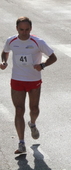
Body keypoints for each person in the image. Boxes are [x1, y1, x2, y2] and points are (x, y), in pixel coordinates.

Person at [1, 17, 57, 154]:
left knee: (34, 108)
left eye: (27, 30)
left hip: (33, 80)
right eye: (21, 30)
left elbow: (53, 57)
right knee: (19, 110)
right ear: (17, 29)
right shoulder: (11, 41)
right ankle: (21, 142)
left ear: (31, 29)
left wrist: (42, 65)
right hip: (17, 79)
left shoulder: (38, 42)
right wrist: (4, 62)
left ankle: (32, 123)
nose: (24, 32)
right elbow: (5, 52)